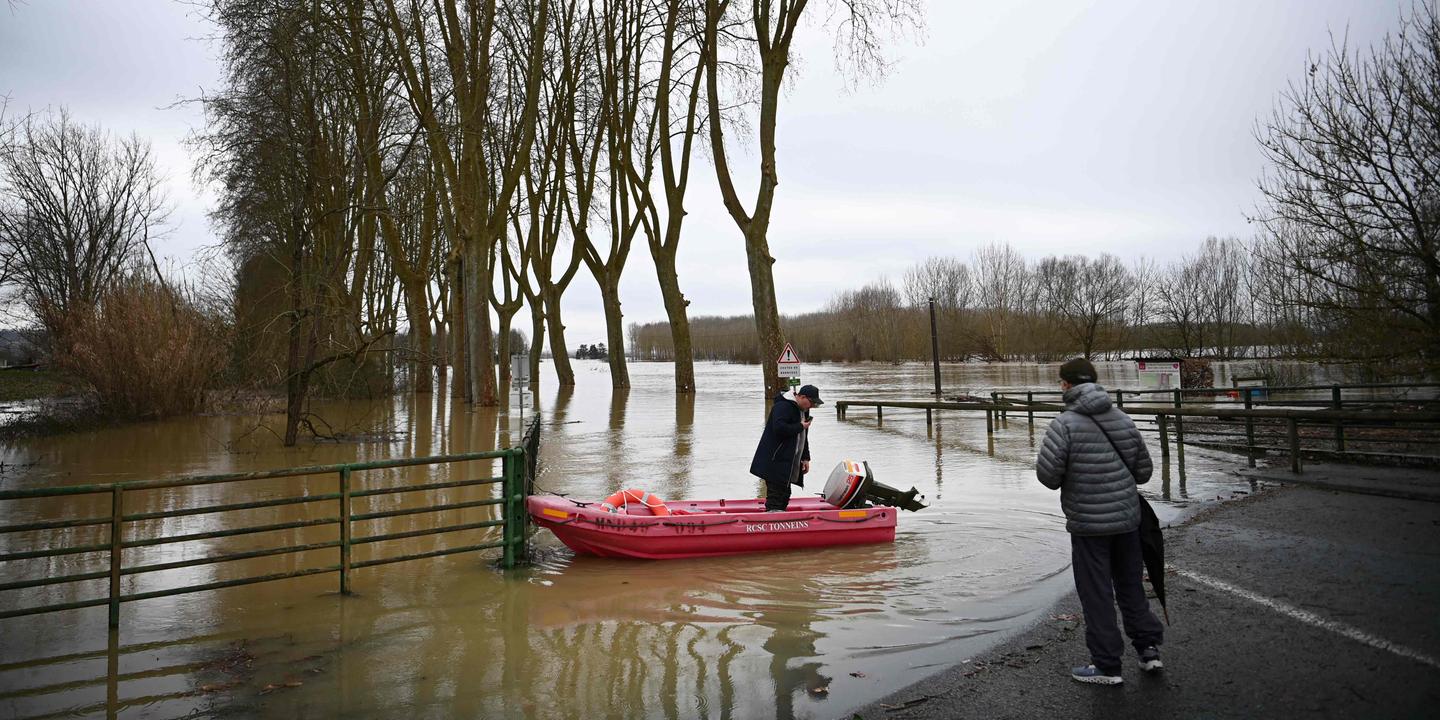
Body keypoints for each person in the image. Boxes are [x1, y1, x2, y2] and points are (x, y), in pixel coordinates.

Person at [1036, 358, 1164, 685]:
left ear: (1066, 385)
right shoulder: (1123, 419)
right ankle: (1148, 650)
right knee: (1131, 586)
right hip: (1127, 521)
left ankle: (1107, 666)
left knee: (1097, 594)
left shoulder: (1063, 425)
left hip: (1089, 526)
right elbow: (1143, 473)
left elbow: (1048, 478)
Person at [750, 384, 822, 512]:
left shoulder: (803, 410)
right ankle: (772, 520)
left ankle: (779, 518)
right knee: (776, 496)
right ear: (802, 397)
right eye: (811, 402)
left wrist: (805, 458)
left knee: (785, 495)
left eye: (814, 404)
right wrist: (800, 426)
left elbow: (803, 437)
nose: (811, 406)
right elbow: (779, 428)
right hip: (774, 460)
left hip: (788, 461)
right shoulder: (783, 406)